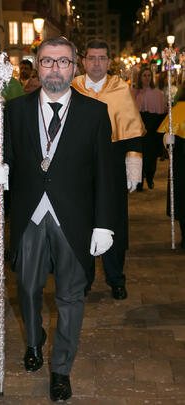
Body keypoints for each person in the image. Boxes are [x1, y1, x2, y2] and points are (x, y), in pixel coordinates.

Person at [0, 36, 114, 402]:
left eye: (62, 62)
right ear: (37, 65)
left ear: (74, 67)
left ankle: (61, 369)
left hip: (73, 218)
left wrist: (103, 223)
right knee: (26, 288)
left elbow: (105, 172)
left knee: (71, 297)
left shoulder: (95, 113)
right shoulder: (14, 109)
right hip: (30, 214)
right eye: (47, 62)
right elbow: (6, 154)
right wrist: (0, 171)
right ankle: (34, 339)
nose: (54, 69)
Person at [72, 39, 145, 300]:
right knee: (81, 224)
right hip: (78, 170)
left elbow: (133, 135)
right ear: (83, 61)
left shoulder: (119, 90)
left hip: (112, 168)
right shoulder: (73, 88)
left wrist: (133, 170)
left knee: (112, 223)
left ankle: (116, 278)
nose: (96, 63)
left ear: (109, 61)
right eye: (91, 58)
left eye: (102, 58)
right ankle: (84, 278)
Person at [157, 83, 185, 248]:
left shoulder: (176, 110)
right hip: (181, 161)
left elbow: (168, 139)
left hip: (180, 161)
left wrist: (169, 142)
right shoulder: (177, 110)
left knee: (181, 197)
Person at [132, 67, 166, 191]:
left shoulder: (158, 94)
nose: (147, 78)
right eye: (144, 75)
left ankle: (150, 177)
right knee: (138, 155)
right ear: (140, 77)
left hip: (152, 127)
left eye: (148, 76)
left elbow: (161, 113)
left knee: (151, 156)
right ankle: (139, 181)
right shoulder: (134, 92)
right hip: (138, 127)